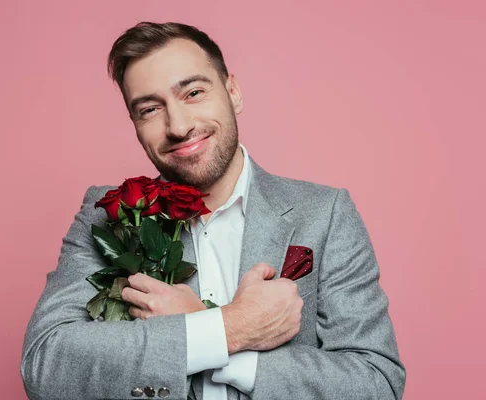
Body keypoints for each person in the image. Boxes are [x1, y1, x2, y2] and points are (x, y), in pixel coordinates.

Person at [20, 21, 406, 400]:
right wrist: (228, 328)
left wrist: (232, 358)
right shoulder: (110, 212)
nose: (179, 125)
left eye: (193, 93)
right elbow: (46, 363)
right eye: (151, 109)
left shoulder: (324, 213)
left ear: (233, 91)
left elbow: (377, 382)